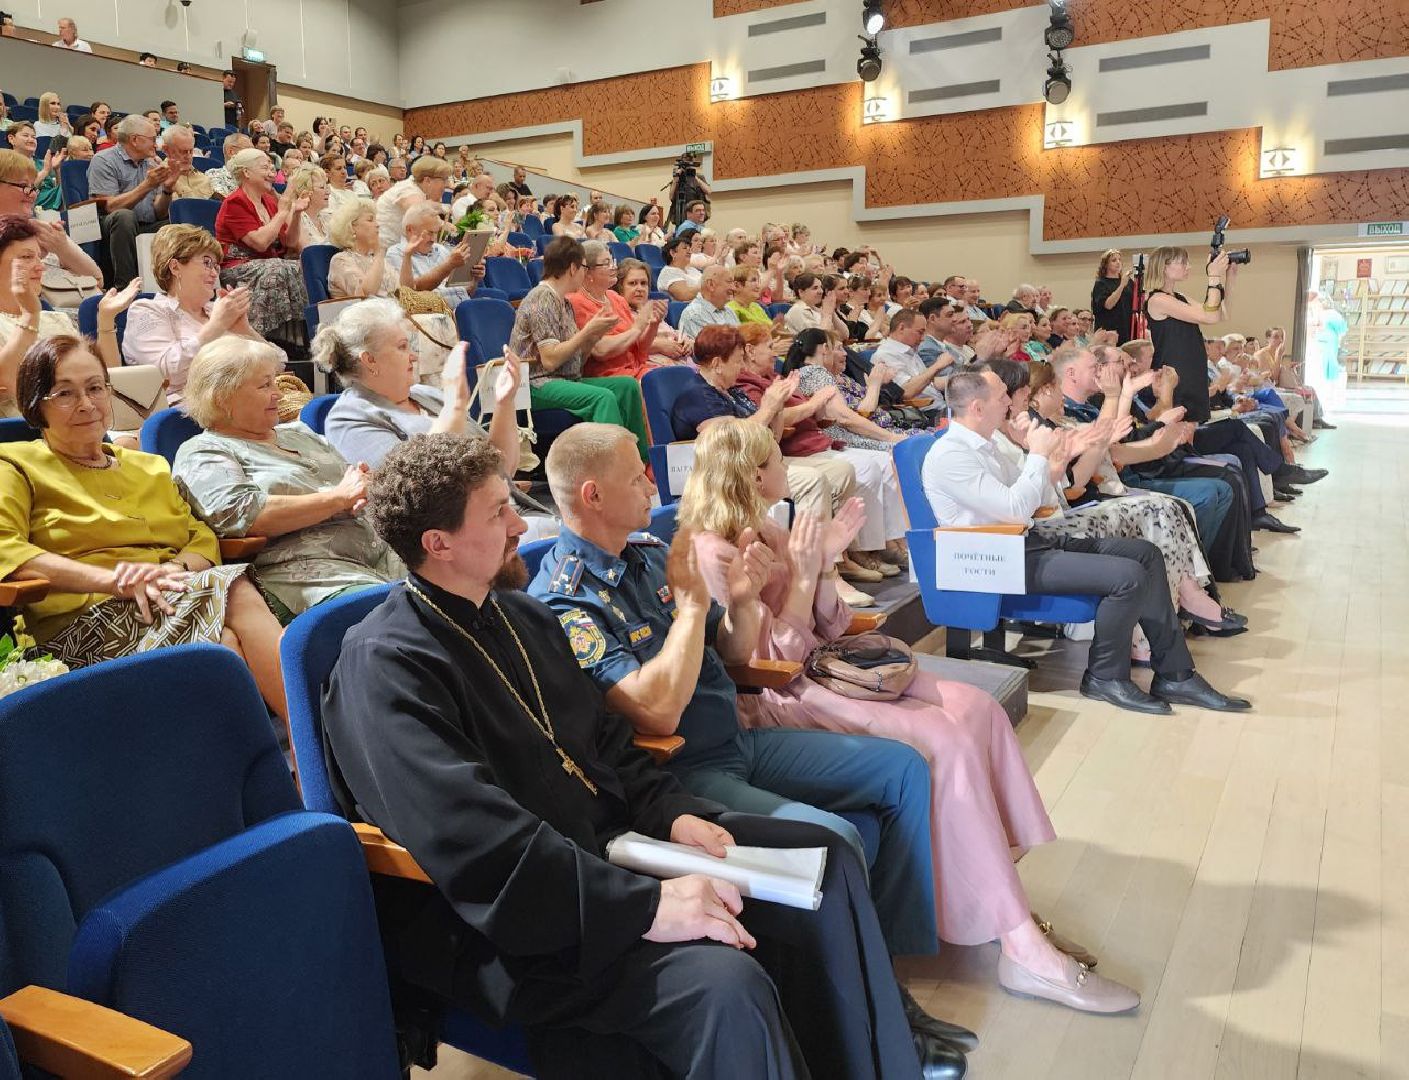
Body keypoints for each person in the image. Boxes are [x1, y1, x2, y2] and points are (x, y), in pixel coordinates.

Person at [321, 430, 954, 1080]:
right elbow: (476, 844)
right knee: (721, 984)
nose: (519, 524)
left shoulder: (522, 618)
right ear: (439, 543)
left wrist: (671, 811)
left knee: (825, 861)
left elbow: (606, 747)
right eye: (497, 513)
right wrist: (643, 906)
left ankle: (881, 1064)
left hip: (618, 851)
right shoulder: (386, 667)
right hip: (513, 922)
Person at [679, 416, 1141, 1014]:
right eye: (774, 461)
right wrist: (808, 573)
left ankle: (999, 894)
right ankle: (1020, 943)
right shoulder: (712, 552)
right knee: (939, 739)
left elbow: (830, 626)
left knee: (977, 710)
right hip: (777, 697)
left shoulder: (770, 526)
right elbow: (769, 661)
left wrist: (823, 568)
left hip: (826, 669)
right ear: (749, 473)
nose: (785, 470)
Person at [923, 368, 1251, 714]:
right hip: (991, 560)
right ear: (977, 407)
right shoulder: (950, 454)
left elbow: (1039, 497)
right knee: (1127, 577)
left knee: (1146, 554)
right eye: (1002, 395)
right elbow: (1015, 508)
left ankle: (1176, 674)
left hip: (1022, 544)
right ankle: (1105, 676)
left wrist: (1056, 458)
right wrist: (1036, 454)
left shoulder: (985, 446)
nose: (1009, 400)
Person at [0, 335, 285, 715]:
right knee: (231, 610)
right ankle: (313, 754)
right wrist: (115, 580)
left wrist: (170, 570)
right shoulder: (15, 465)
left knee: (224, 645)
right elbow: (7, 549)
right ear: (37, 404)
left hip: (172, 595)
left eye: (95, 388)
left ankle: (293, 763)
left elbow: (199, 537)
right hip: (82, 623)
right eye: (65, 394)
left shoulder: (148, 466)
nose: (86, 404)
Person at [171, 337, 402, 622]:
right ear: (223, 397)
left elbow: (350, 482)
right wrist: (338, 498)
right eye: (265, 385)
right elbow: (242, 514)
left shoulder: (299, 432)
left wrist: (364, 485)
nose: (278, 394)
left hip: (383, 549)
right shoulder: (204, 451)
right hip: (308, 572)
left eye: (275, 382)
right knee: (401, 613)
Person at [509, 237, 650, 459]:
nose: (586, 274)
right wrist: (587, 332)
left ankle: (642, 465)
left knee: (627, 386)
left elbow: (578, 361)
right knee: (602, 397)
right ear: (573, 268)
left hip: (563, 379)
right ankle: (615, 469)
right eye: (585, 268)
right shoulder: (541, 298)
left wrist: (593, 335)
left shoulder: (563, 302)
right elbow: (549, 360)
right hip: (536, 383)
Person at [0, 215, 138, 417]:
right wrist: (30, 316)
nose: (40, 266)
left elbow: (105, 380)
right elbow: (6, 381)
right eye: (26, 257)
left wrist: (105, 320)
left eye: (40, 257)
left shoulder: (56, 320)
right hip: (25, 440)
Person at [121, 224, 264, 404]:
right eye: (207, 263)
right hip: (186, 415)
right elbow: (161, 376)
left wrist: (245, 331)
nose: (214, 274)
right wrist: (216, 327)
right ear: (175, 267)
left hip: (241, 404)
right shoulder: (147, 310)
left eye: (216, 267)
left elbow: (279, 363)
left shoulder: (216, 311)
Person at [214, 148, 310, 340]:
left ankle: (296, 342)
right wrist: (283, 212)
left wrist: (296, 213)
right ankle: (264, 336)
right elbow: (260, 243)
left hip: (268, 263)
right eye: (265, 167)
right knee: (278, 269)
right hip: (238, 267)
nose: (271, 173)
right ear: (246, 173)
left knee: (299, 267)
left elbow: (290, 242)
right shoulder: (235, 202)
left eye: (272, 168)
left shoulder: (269, 201)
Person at [1144, 246, 1236, 423]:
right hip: (1175, 374)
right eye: (1183, 262)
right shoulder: (1157, 300)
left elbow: (1220, 315)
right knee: (1179, 430)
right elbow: (1209, 316)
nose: (1188, 266)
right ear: (1164, 266)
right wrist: (1213, 276)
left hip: (1193, 371)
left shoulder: (1180, 297)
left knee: (1194, 428)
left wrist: (1229, 278)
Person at [88, 115, 172, 290]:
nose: (156, 144)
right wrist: (147, 185)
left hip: (145, 223)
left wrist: (167, 189)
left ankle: (168, 285)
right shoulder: (103, 160)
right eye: (152, 139)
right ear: (135, 140)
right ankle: (125, 288)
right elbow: (110, 207)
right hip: (111, 225)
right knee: (124, 216)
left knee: (175, 223)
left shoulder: (151, 163)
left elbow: (159, 212)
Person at [566, 241, 666, 381]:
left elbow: (639, 347)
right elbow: (601, 350)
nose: (614, 267)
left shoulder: (615, 298)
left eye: (612, 261)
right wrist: (637, 328)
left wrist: (653, 324)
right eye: (606, 263)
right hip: (608, 377)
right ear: (588, 272)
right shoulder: (576, 302)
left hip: (636, 369)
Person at [0, 151, 103, 284]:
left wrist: (62, 248)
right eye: (24, 186)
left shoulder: (44, 230)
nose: (32, 195)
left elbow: (98, 280)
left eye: (33, 187)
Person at [612, 257, 693, 366]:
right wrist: (659, 346)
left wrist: (686, 341)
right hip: (649, 367)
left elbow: (671, 332)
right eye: (632, 283)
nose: (639, 288)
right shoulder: (617, 313)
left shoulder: (651, 309)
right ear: (620, 287)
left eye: (644, 283)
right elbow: (624, 345)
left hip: (680, 362)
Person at [875, 309, 949, 411]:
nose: (923, 338)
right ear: (901, 328)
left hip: (941, 405)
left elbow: (929, 382)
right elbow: (905, 392)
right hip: (924, 412)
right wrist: (938, 366)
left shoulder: (909, 350)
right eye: (920, 332)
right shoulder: (886, 354)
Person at [376, 154, 452, 248]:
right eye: (444, 180)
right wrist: (443, 210)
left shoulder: (416, 187)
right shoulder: (408, 190)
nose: (447, 184)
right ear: (427, 180)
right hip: (387, 252)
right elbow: (418, 213)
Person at [326, 197, 391, 299]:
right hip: (364, 314)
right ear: (352, 227)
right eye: (370, 220)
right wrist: (379, 253)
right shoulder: (340, 261)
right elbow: (366, 295)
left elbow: (401, 290)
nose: (378, 225)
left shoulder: (374, 259)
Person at [676, 264, 739, 341]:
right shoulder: (694, 315)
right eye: (729, 282)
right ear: (711, 285)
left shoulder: (729, 311)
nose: (734, 288)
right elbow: (709, 350)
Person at [1091, 249, 1137, 343]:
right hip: (1110, 330)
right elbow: (1108, 305)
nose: (1118, 262)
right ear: (1106, 264)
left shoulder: (1128, 282)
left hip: (1127, 328)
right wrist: (1121, 286)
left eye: (1119, 260)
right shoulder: (1101, 283)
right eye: (1114, 260)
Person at [160, 125, 216, 201]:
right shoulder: (159, 177)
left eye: (191, 151)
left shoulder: (204, 178)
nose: (188, 156)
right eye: (183, 152)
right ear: (166, 150)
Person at [655, 234, 701, 301]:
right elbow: (685, 295)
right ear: (673, 253)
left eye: (690, 248)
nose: (689, 251)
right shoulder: (669, 272)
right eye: (685, 248)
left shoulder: (692, 269)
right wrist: (708, 286)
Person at [205, 133, 251, 198]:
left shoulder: (255, 175)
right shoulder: (214, 174)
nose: (253, 154)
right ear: (231, 152)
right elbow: (224, 201)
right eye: (249, 150)